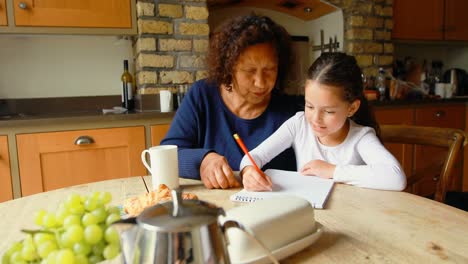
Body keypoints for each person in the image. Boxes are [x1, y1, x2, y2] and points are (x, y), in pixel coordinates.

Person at [160, 14, 303, 189]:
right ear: (229, 68)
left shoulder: (292, 109)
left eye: (269, 70)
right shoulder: (202, 95)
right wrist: (203, 160)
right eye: (249, 70)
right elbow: (169, 153)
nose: (260, 82)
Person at [240, 53, 407, 192]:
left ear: (352, 108)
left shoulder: (361, 138)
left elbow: (395, 178)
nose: (315, 119)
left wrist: (332, 171)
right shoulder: (299, 124)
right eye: (310, 106)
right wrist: (248, 171)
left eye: (328, 111)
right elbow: (255, 156)